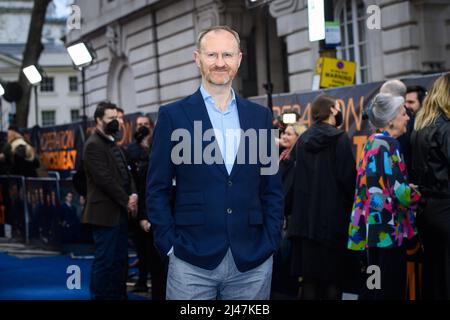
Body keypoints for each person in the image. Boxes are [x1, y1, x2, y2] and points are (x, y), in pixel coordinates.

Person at [146, 25, 283, 300]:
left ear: (239, 60)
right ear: (197, 58)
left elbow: (272, 187)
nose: (220, 63)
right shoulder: (173, 116)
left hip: (253, 260)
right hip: (190, 260)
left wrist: (270, 241)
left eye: (227, 55)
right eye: (212, 55)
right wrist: (169, 244)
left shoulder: (260, 117)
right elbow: (156, 188)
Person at [348, 93, 421, 300]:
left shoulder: (373, 142)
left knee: (373, 287)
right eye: (402, 113)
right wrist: (419, 194)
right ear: (390, 119)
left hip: (372, 232)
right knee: (388, 290)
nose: (407, 117)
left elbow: (379, 186)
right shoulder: (389, 145)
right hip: (386, 233)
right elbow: (400, 191)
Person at [287, 94, 356, 300]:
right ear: (331, 111)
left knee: (309, 280)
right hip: (332, 222)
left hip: (305, 223)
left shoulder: (302, 140)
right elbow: (348, 180)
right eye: (336, 108)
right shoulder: (340, 138)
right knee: (333, 280)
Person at [82, 101, 138, 300]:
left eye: (117, 118)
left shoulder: (113, 142)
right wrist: (126, 200)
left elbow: (126, 172)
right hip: (104, 214)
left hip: (120, 212)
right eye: (111, 118)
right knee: (105, 262)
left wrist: (133, 195)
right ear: (99, 120)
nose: (117, 122)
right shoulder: (93, 145)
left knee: (120, 261)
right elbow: (105, 180)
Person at [410, 73, 450, 299]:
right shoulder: (445, 127)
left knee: (433, 274)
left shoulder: (420, 126)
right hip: (445, 206)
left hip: (426, 209)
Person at [271, 122, 306, 299]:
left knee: (282, 269)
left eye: (290, 134)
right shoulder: (282, 156)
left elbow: (284, 192)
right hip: (277, 219)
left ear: (298, 139)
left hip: (286, 223)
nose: (284, 136)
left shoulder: (294, 162)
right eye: (284, 133)